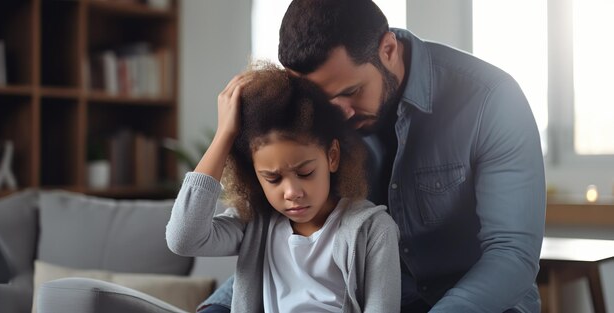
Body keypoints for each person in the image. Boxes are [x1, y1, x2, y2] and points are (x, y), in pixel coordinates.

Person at [198, 0, 547, 312]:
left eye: (351, 92)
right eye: (324, 100)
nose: (341, 114)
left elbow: (511, 255)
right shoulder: (317, 114)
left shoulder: (492, 99)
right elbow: (288, 238)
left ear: (388, 49)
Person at [166, 64, 401, 313]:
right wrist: (225, 135)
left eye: (305, 172)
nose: (292, 192)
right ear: (255, 175)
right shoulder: (255, 224)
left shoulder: (373, 230)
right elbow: (184, 239)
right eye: (273, 179)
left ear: (332, 156)